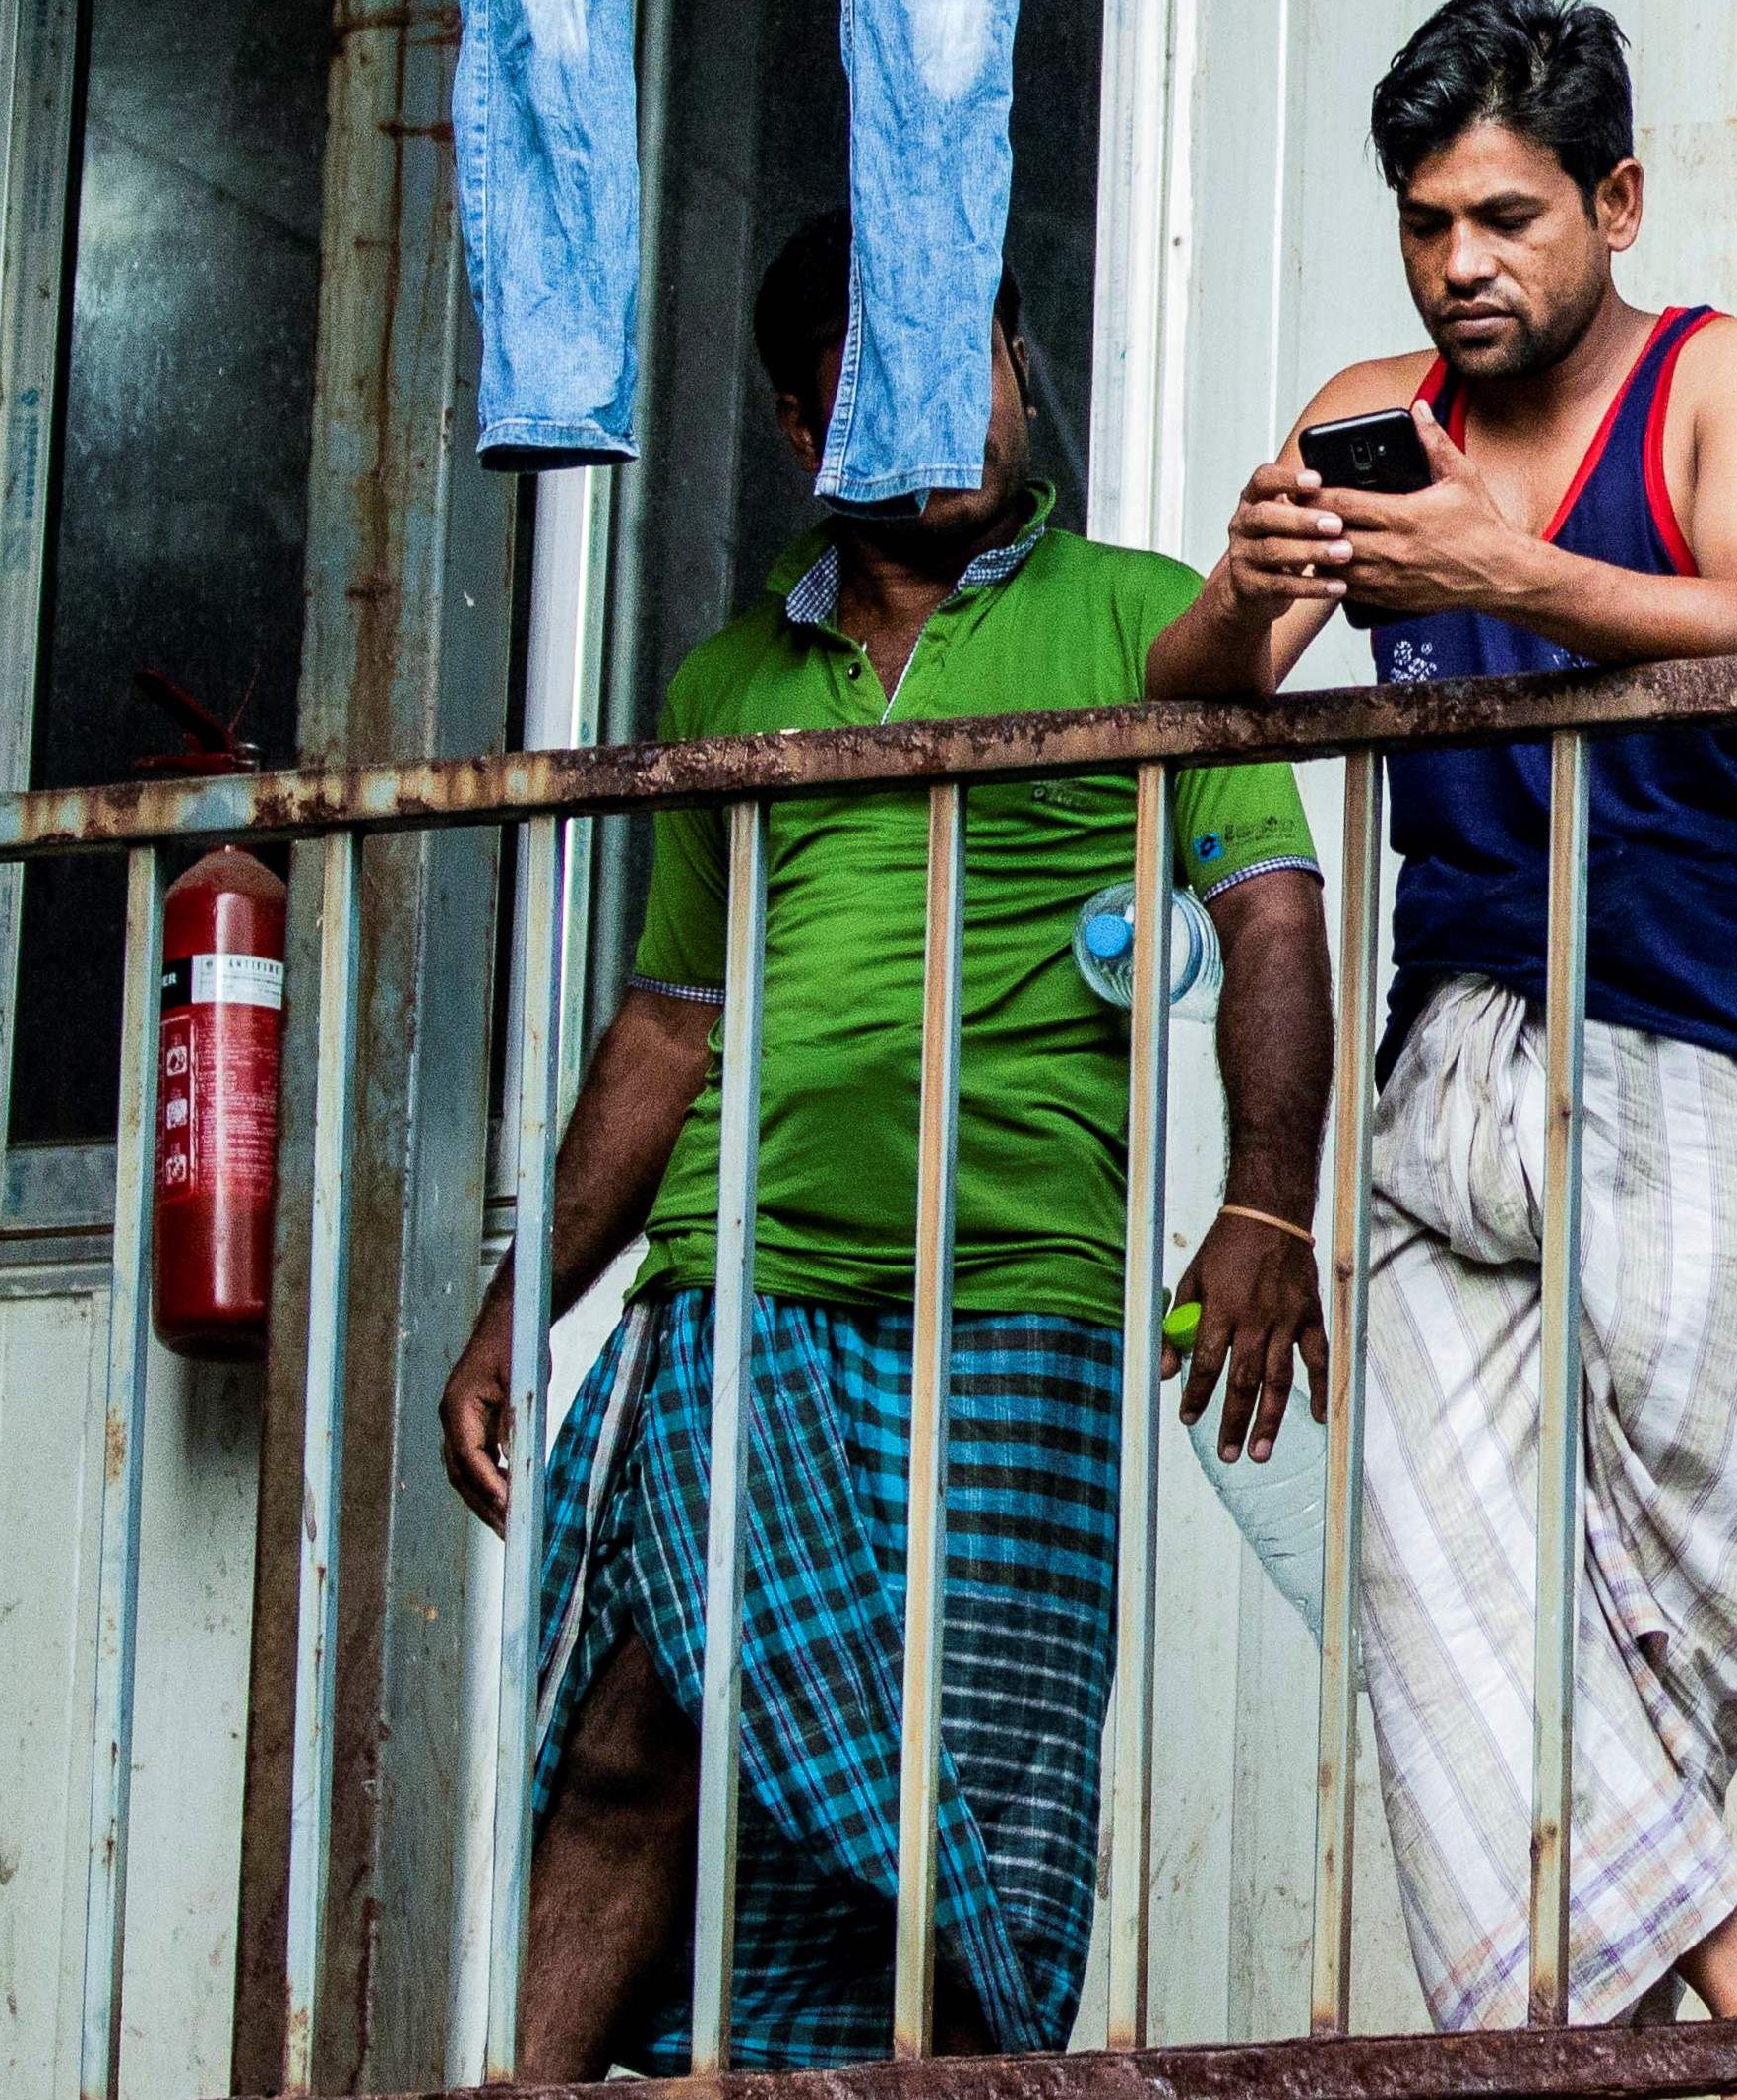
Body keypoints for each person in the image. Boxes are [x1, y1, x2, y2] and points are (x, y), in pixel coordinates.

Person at [440, 215, 1335, 2076]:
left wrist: (1263, 1204)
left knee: (955, 1850)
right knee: (633, 1733)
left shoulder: (1142, 615)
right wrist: (523, 1309)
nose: (958, 405)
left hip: (1016, 1314)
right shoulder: (725, 689)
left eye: (979, 353)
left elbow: (1268, 909)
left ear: (1021, 369)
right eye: (892, 373)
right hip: (735, 1298)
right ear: (799, 425)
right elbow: (666, 1027)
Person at [1149, 0, 1737, 2029]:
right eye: (1425, 220)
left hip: (1699, 1039)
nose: (1460, 265)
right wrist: (1249, 569)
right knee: (1429, 1573)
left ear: (1615, 203)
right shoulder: (1376, 403)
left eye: (1507, 218)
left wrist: (1499, 560)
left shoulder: (1727, 380)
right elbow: (1208, 689)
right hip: (1451, 1048)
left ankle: (1636, 2031)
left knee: (1668, 1619)